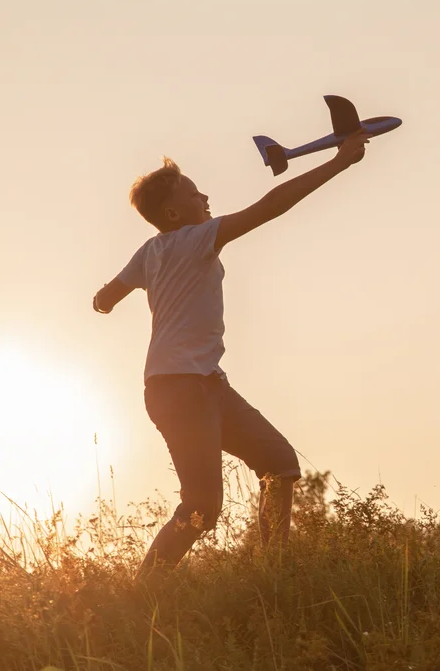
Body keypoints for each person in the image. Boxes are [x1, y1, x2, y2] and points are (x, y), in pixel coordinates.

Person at [93, 129, 370, 579]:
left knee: (279, 464)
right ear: (172, 212)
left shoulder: (151, 251)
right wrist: (339, 163)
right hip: (182, 389)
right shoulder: (197, 237)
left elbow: (107, 297)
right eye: (193, 191)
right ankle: (142, 595)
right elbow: (271, 206)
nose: (205, 195)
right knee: (202, 505)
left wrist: (103, 299)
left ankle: (271, 575)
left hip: (201, 384)